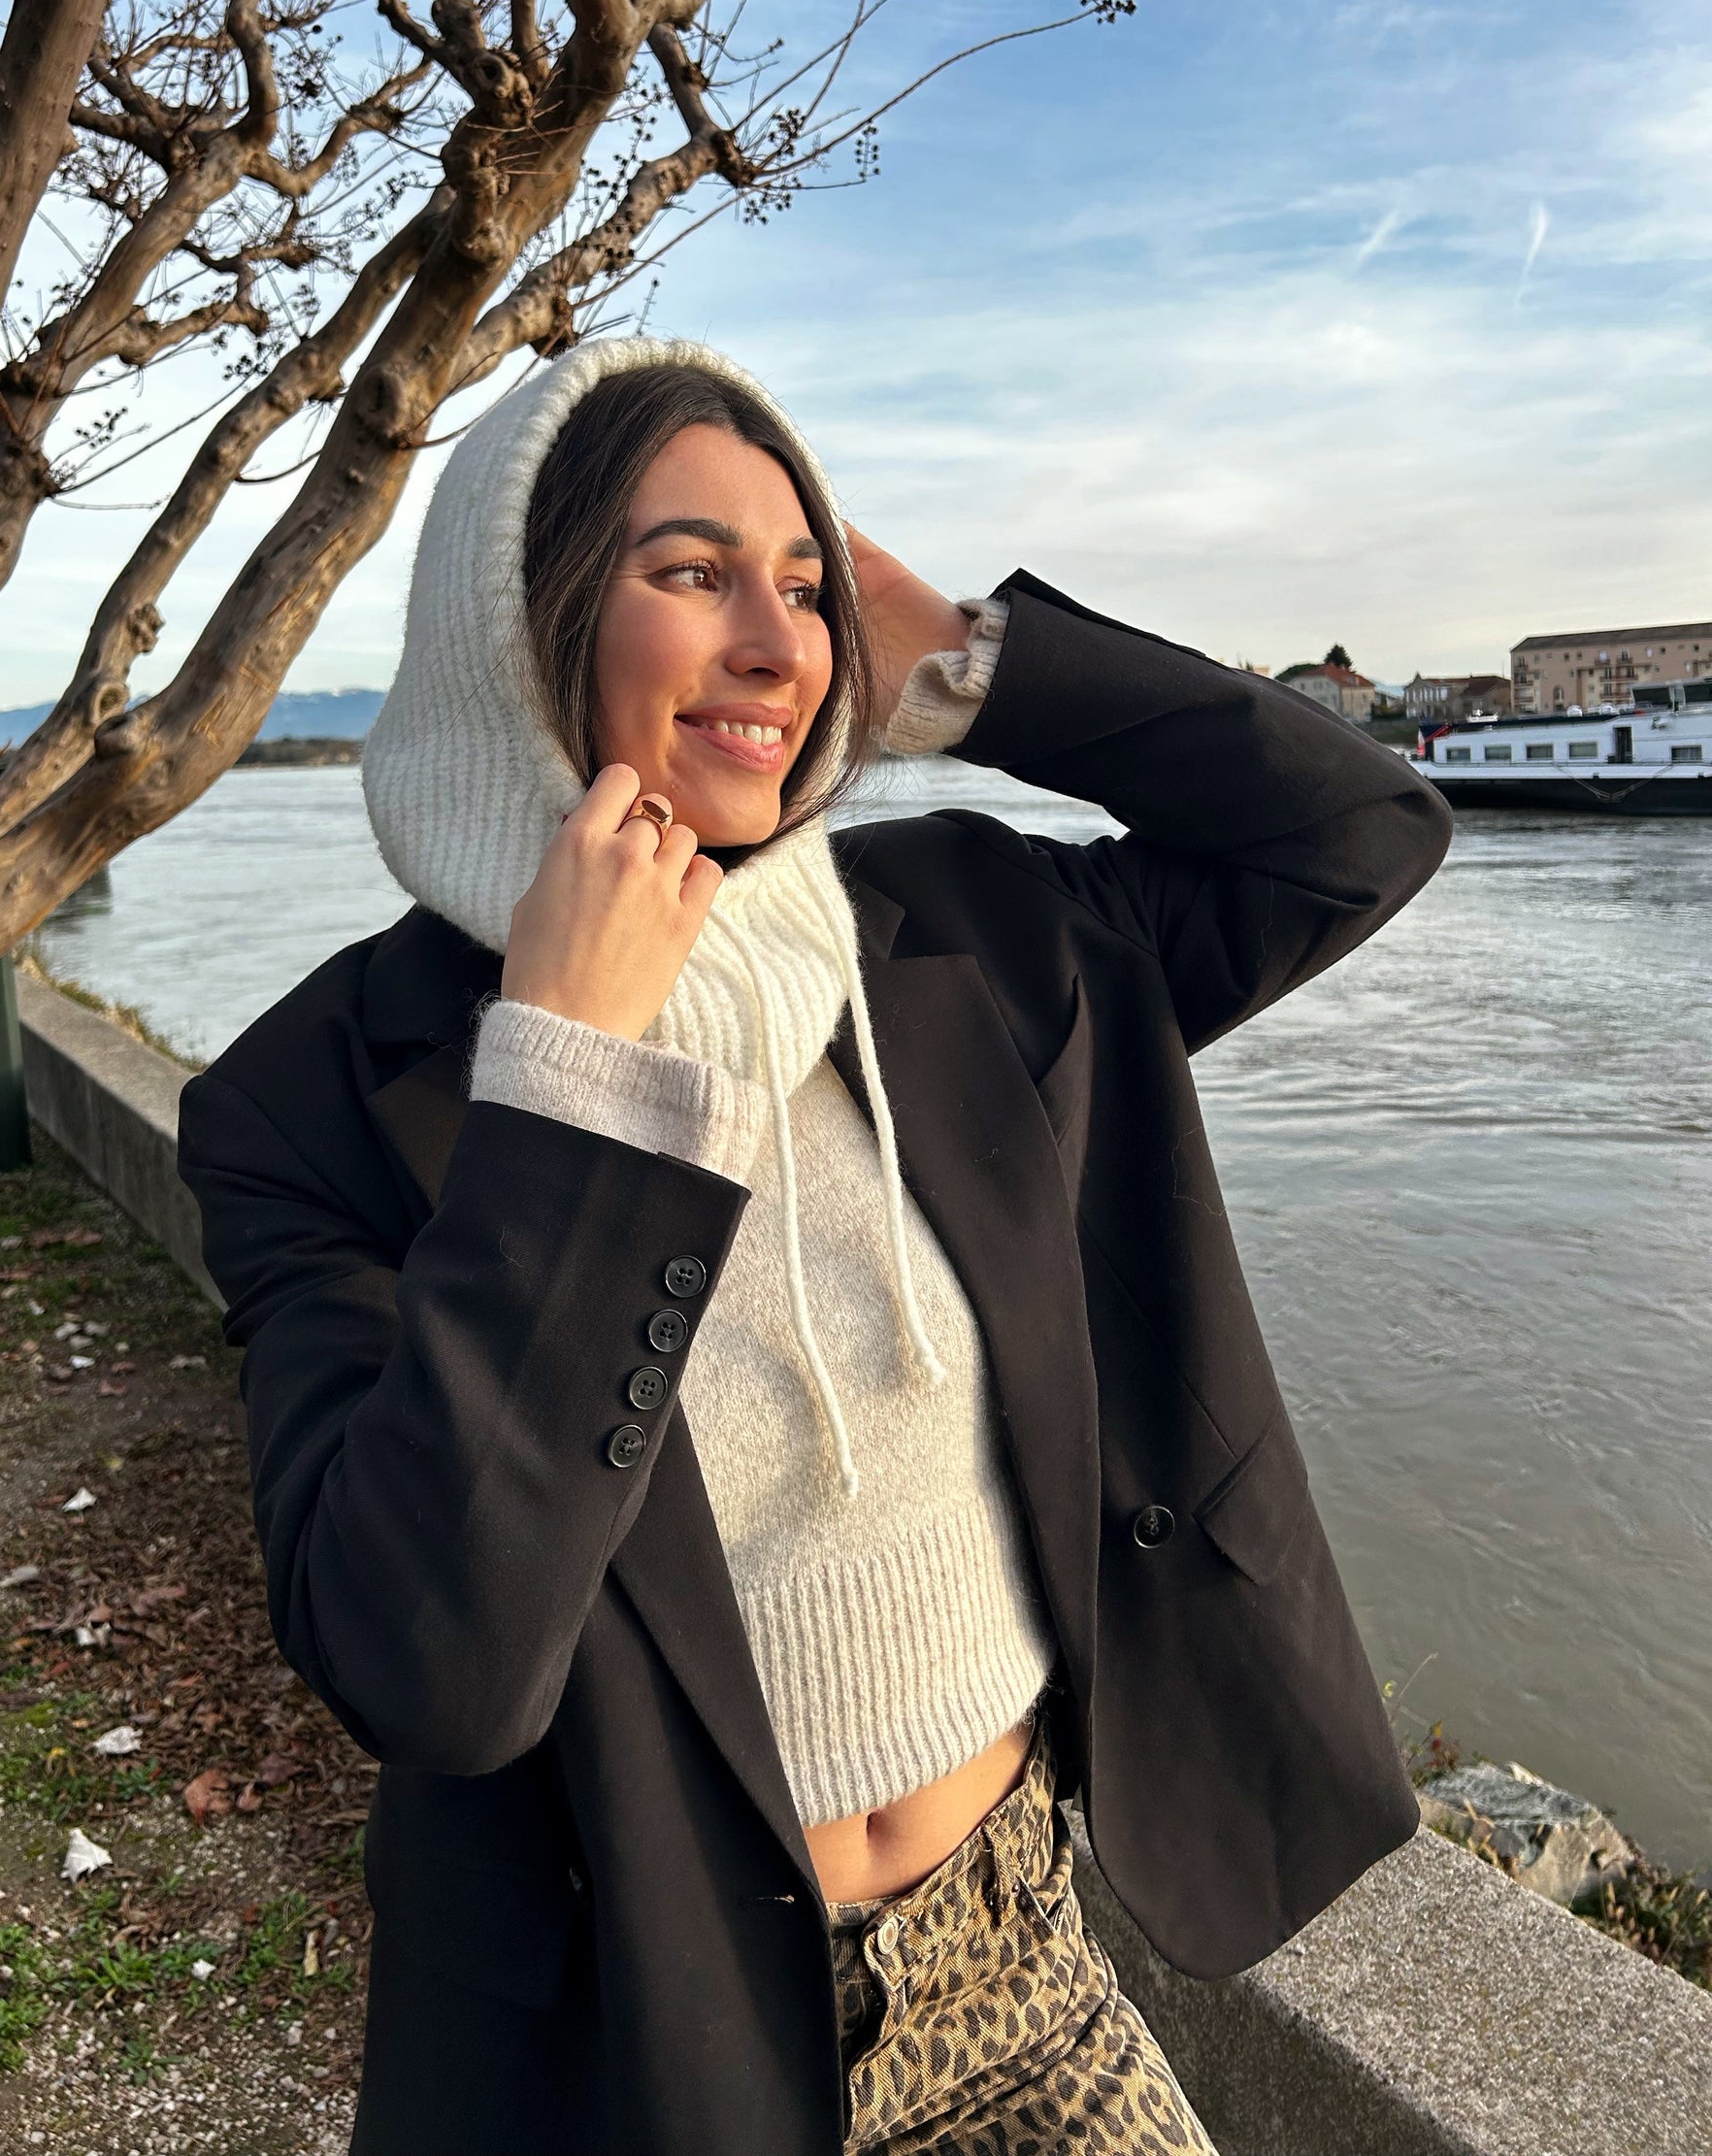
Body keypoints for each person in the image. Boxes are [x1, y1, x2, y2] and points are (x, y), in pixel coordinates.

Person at [178, 336, 1452, 2156]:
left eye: (802, 587)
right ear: (518, 622)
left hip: (1018, 1964)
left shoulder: (970, 931)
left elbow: (1354, 833)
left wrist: (976, 670)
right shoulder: (311, 1099)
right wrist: (567, 1085)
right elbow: (428, 1664)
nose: (780, 648)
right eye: (692, 572)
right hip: (649, 2054)